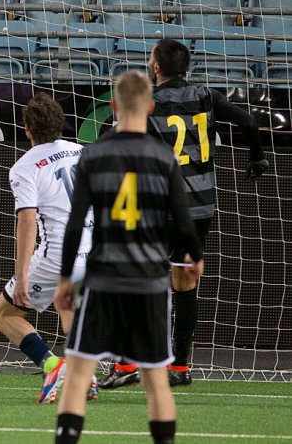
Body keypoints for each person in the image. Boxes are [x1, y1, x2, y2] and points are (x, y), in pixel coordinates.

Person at [99, 38, 268, 390]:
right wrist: (257, 158)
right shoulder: (207, 96)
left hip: (160, 208)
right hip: (201, 209)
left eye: (150, 59)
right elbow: (250, 122)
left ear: (156, 67)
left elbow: (109, 136)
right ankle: (179, 367)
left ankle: (130, 363)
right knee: (185, 284)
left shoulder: (149, 103)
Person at [53, 70, 204, 444]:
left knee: (77, 376)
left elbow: (75, 226)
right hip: (151, 281)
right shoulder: (163, 157)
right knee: (156, 382)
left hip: (104, 279)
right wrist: (194, 257)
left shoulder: (94, 154)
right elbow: (183, 223)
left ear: (113, 105)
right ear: (151, 106)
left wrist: (65, 280)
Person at [0, 93, 95, 403]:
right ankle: (83, 379)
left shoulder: (25, 166)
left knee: (4, 313)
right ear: (61, 124)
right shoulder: (83, 152)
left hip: (58, 254)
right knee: (68, 306)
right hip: (94, 250)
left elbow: (27, 222)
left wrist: (21, 275)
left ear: (27, 129)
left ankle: (51, 365)